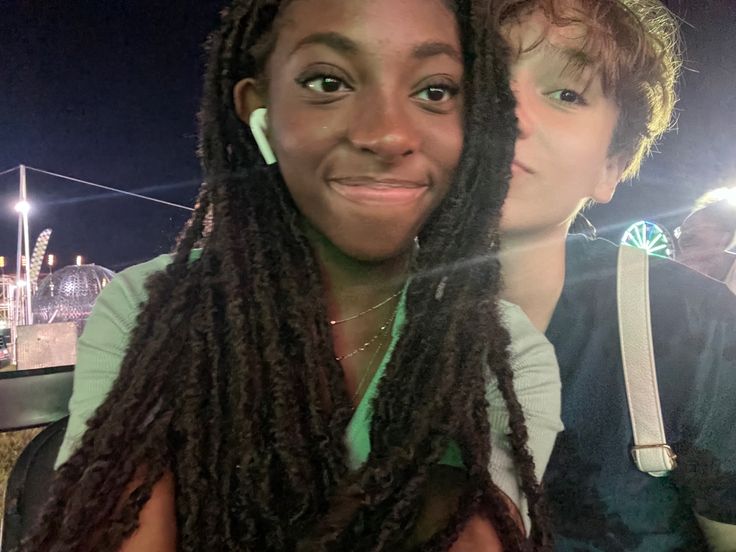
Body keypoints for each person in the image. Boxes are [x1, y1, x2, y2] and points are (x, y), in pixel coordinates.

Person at [27, 0, 563, 550]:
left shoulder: (504, 355)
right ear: (260, 111)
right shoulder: (151, 309)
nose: (385, 135)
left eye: (435, 91)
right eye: (328, 81)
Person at [495, 0, 736, 550]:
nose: (510, 112)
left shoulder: (693, 327)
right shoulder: (321, 311)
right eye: (481, 80)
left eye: (567, 94)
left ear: (611, 165)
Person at [676, 192, 736, 295]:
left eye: (694, 228)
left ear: (724, 237)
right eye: (682, 230)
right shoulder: (674, 274)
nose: (685, 235)